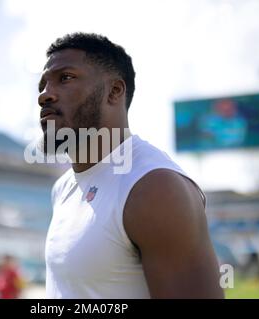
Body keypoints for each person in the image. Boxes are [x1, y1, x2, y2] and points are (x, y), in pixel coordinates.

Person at [38, 33, 224, 298]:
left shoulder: (154, 188)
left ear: (114, 91)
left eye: (65, 78)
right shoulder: (63, 188)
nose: (44, 95)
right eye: (42, 85)